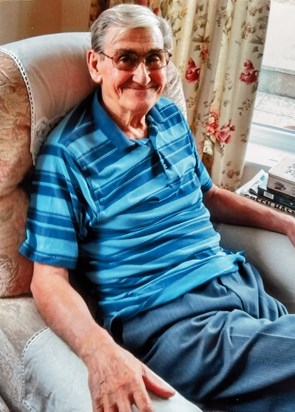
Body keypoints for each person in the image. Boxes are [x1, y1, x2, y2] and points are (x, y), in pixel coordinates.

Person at [19, 3, 295, 412]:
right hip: (170, 321)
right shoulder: (68, 154)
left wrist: (285, 221)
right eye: (126, 58)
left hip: (235, 281)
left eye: (154, 58)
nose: (143, 75)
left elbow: (207, 195)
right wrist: (101, 353)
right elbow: (48, 279)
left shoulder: (167, 115)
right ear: (96, 65)